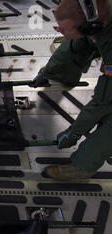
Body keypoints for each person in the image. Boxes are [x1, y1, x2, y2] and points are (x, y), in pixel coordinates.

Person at [31, 0, 111, 180]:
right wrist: (49, 70)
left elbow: (102, 103)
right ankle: (66, 75)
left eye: (64, 29)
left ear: (91, 28)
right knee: (79, 44)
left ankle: (84, 166)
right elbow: (71, 46)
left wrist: (74, 132)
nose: (59, 32)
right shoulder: (98, 15)